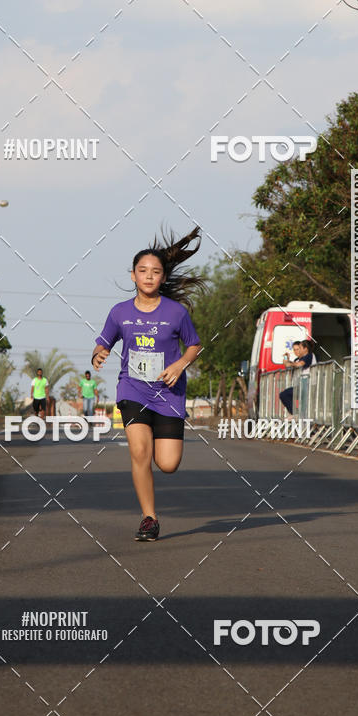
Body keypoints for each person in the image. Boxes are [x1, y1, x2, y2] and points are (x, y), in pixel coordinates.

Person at [92, 227, 204, 542]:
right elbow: (103, 344)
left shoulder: (176, 312)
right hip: (133, 390)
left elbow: (194, 345)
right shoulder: (120, 312)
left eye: (155, 272)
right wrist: (98, 355)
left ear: (162, 277)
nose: (149, 276)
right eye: (143, 271)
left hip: (168, 394)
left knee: (167, 464)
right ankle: (149, 519)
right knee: (140, 452)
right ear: (133, 276)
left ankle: (158, 435)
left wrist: (180, 364)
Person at [279, 339, 316, 414]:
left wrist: (291, 364)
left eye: (299, 349)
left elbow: (299, 364)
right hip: (301, 385)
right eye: (295, 350)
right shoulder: (299, 359)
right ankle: (296, 414)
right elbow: (287, 365)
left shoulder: (309, 356)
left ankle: (296, 414)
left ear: (305, 349)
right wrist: (286, 358)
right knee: (284, 395)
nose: (297, 351)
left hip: (308, 384)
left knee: (285, 395)